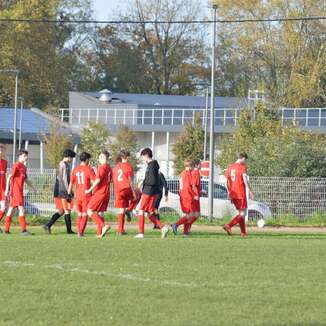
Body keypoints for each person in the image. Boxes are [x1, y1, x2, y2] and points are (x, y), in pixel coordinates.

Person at [134, 148, 169, 239]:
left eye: (143, 157)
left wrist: (144, 184)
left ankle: (141, 233)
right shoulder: (153, 165)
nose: (143, 159)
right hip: (153, 192)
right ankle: (162, 227)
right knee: (149, 213)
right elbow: (153, 178)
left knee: (141, 210)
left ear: (146, 155)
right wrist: (143, 182)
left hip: (148, 191)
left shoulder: (152, 165)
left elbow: (152, 180)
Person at [43, 149, 76, 234]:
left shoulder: (65, 164)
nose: (72, 160)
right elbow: (64, 179)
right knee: (67, 210)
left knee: (61, 211)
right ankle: (69, 230)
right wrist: (68, 191)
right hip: (62, 190)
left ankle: (47, 225)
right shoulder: (63, 165)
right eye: (71, 157)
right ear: (68, 157)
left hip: (61, 189)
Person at [4, 150, 36, 235]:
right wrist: (7, 189)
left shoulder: (24, 167)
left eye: (26, 156)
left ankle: (6, 230)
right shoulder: (16, 165)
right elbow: (9, 177)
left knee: (11, 209)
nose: (26, 157)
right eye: (25, 156)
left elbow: (25, 179)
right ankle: (24, 230)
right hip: (15, 191)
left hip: (19, 191)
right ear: (20, 156)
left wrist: (33, 187)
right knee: (21, 208)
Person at [223, 152, 254, 237]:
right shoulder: (242, 167)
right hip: (240, 193)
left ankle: (243, 232)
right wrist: (250, 191)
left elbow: (227, 181)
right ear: (243, 158)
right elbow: (245, 180)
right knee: (242, 214)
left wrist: (229, 192)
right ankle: (228, 225)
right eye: (245, 160)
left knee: (241, 213)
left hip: (233, 193)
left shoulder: (230, 167)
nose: (245, 162)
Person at [68, 152, 95, 237]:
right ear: (87, 159)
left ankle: (78, 231)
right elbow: (94, 182)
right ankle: (80, 232)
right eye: (89, 159)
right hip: (86, 195)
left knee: (79, 214)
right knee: (84, 214)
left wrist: (68, 193)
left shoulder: (75, 169)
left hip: (77, 195)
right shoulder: (89, 169)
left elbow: (71, 183)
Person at [86, 150, 112, 238]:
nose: (98, 159)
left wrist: (89, 189)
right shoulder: (109, 167)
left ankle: (103, 226)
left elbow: (98, 180)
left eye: (99, 157)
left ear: (102, 157)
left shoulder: (102, 167)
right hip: (107, 193)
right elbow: (107, 179)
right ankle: (99, 233)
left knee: (89, 211)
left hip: (100, 192)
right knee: (100, 213)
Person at [112, 150, 136, 235]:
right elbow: (130, 180)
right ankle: (129, 210)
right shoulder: (128, 166)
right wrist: (133, 192)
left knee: (121, 209)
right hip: (126, 188)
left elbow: (113, 179)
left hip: (118, 190)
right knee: (138, 195)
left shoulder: (116, 167)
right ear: (127, 157)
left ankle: (120, 230)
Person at [171, 159, 196, 236]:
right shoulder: (188, 174)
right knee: (191, 215)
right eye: (193, 166)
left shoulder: (182, 173)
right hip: (187, 196)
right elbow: (188, 187)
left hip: (182, 195)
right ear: (190, 166)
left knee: (188, 215)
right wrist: (194, 195)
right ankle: (176, 224)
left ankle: (185, 232)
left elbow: (180, 186)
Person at [184, 159, 202, 235]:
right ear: (197, 165)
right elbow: (193, 185)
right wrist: (196, 195)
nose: (201, 166)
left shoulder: (192, 172)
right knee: (195, 214)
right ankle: (186, 228)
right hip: (194, 196)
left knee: (193, 215)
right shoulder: (196, 172)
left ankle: (187, 229)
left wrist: (200, 191)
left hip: (194, 195)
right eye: (201, 164)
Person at [0, 144, 8, 233]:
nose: (1, 152)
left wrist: (6, 189)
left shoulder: (5, 162)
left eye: (2, 151)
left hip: (2, 189)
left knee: (3, 208)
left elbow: (5, 176)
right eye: (0, 150)